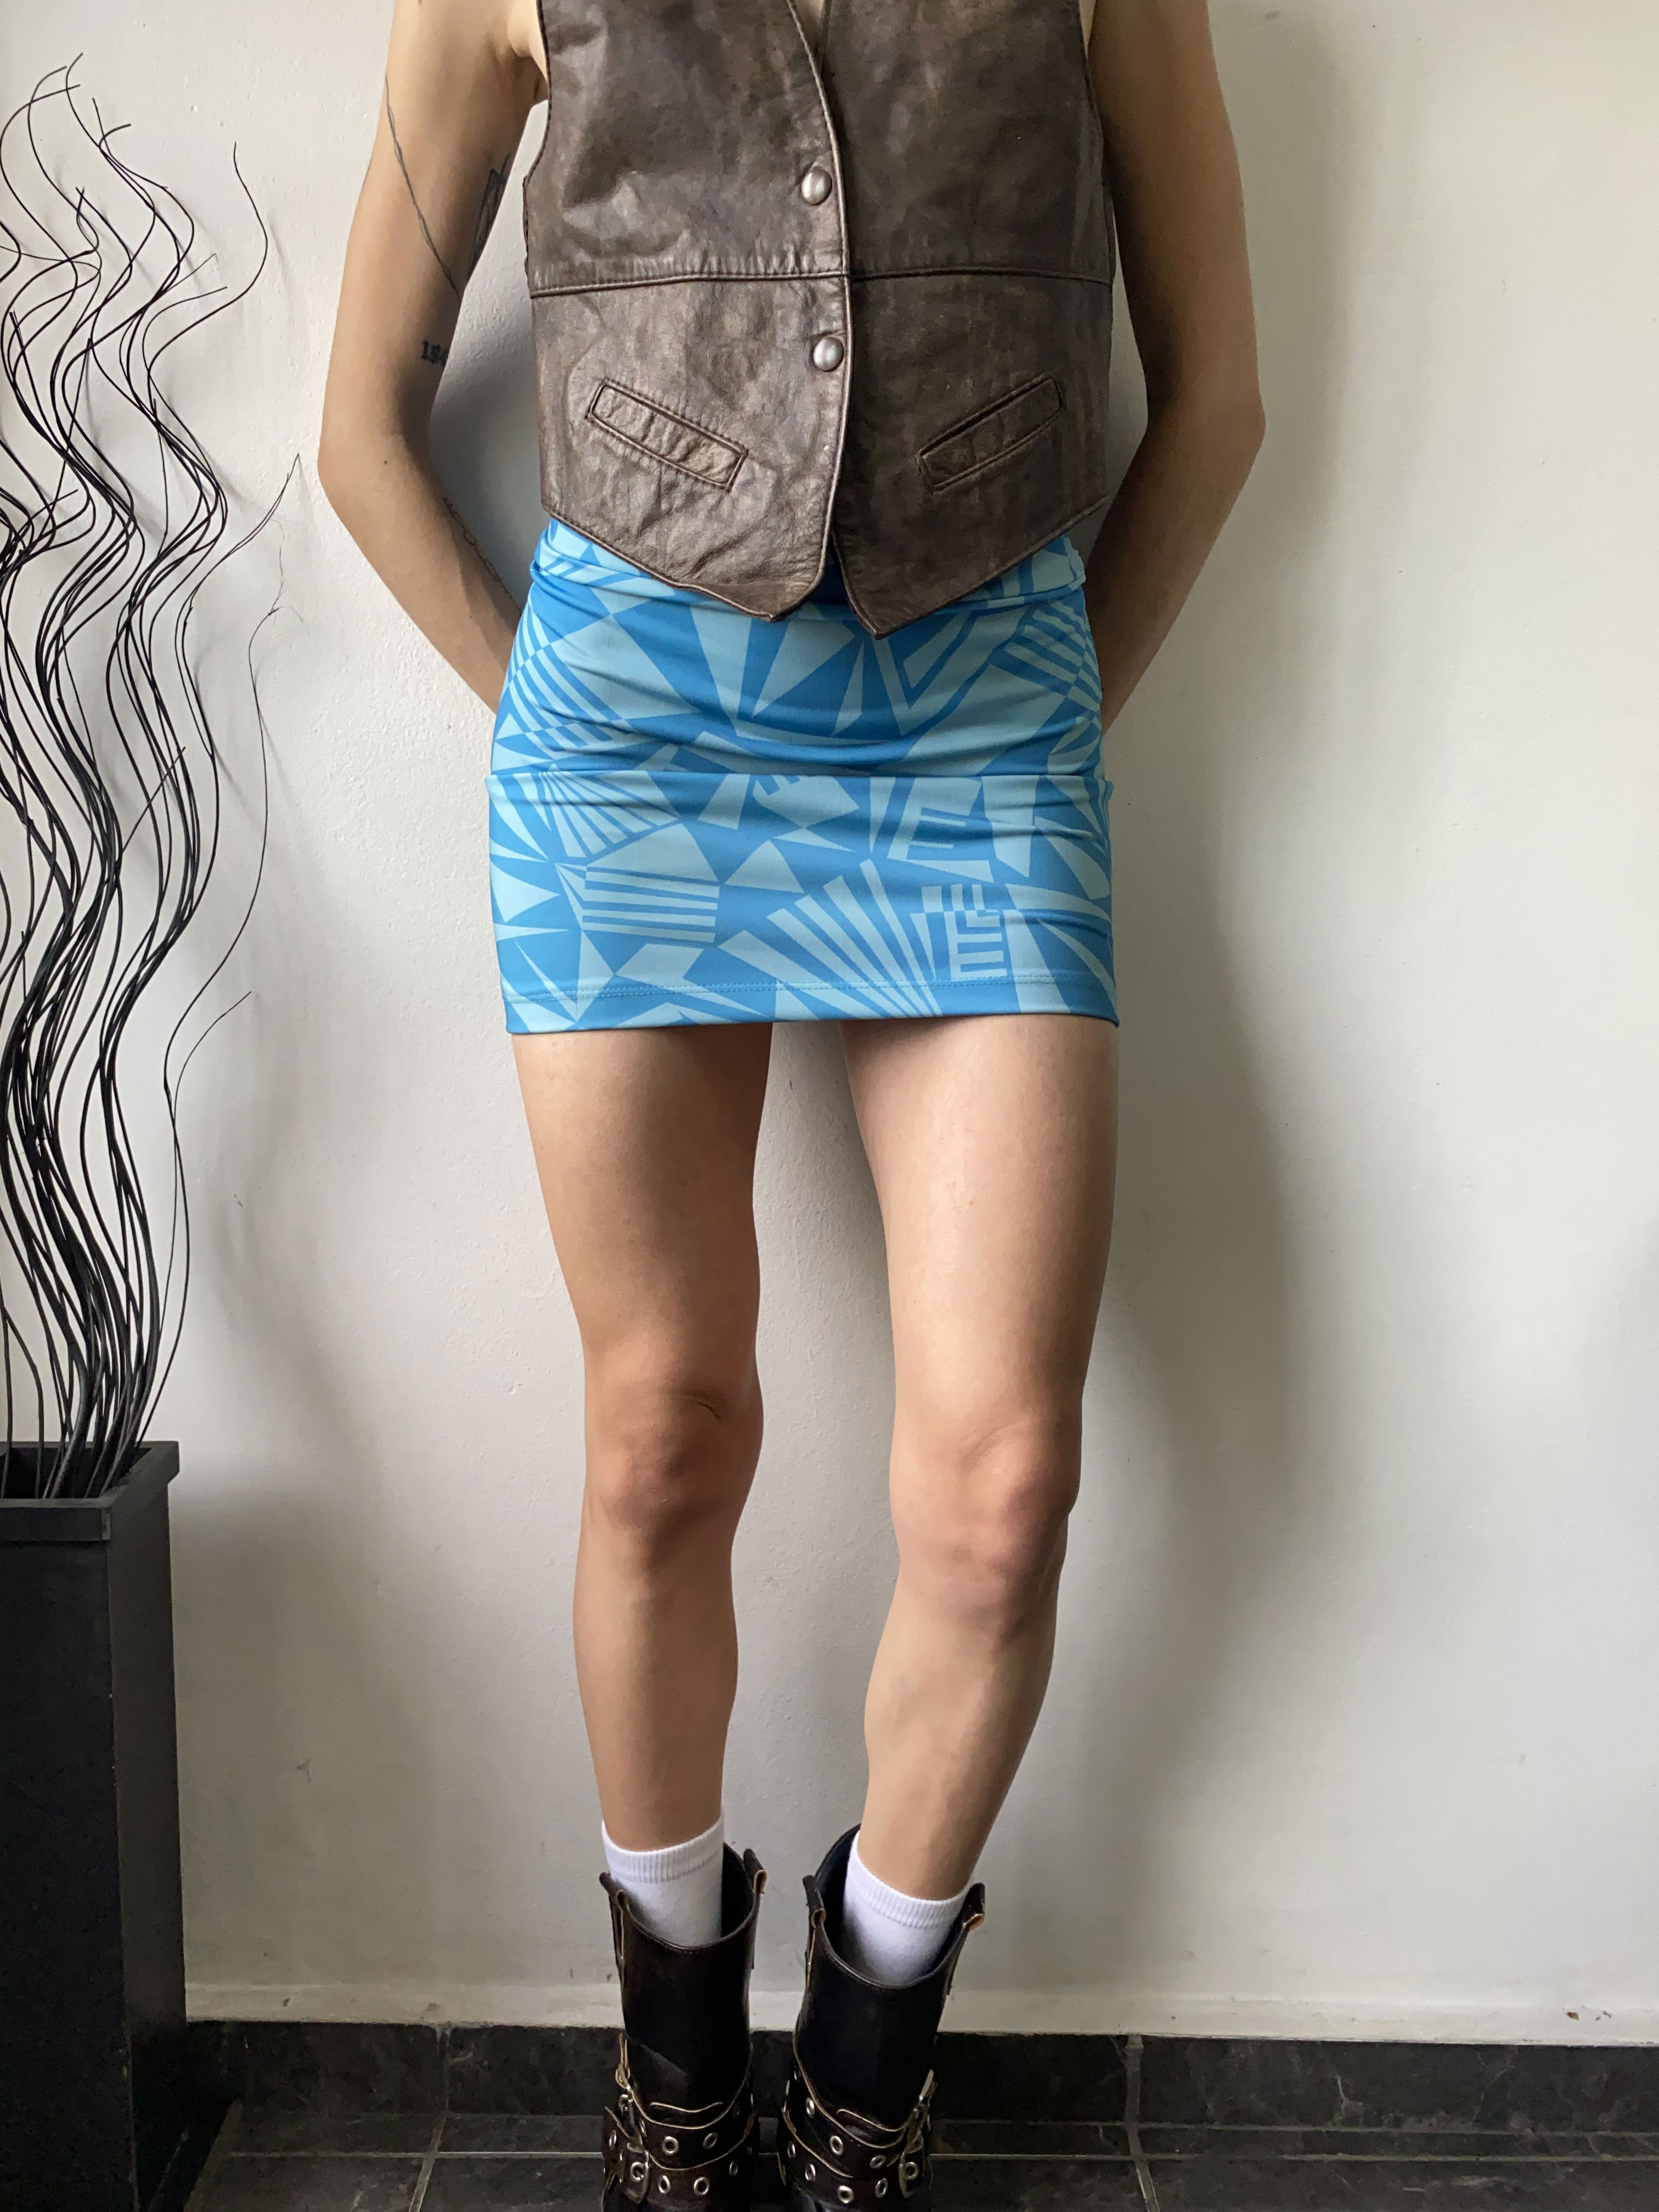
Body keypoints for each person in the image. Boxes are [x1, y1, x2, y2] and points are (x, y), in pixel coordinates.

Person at [319, 0, 1261, 2202]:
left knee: (1006, 1487)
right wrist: (561, 744)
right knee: (663, 1434)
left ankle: (863, 2074)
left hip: (985, 734)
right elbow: (361, 431)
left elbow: (1216, 405)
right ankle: (675, 2075)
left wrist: (1043, 729)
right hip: (628, 750)